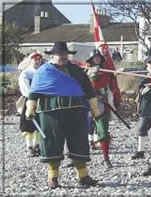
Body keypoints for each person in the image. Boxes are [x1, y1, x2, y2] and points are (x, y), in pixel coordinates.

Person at [25, 41, 100, 189]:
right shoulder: (43, 71)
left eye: (65, 54)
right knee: (52, 143)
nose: (63, 57)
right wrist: (30, 106)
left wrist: (94, 108)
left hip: (76, 112)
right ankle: (53, 177)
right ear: (53, 55)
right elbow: (34, 92)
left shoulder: (77, 70)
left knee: (79, 141)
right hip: (50, 113)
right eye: (60, 54)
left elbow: (88, 89)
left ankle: (83, 176)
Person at [84, 49, 122, 168]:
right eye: (95, 58)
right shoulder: (85, 71)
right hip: (88, 103)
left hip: (102, 103)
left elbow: (113, 86)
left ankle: (106, 158)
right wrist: (92, 73)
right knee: (81, 131)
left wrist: (116, 99)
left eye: (98, 57)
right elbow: (87, 83)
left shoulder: (106, 72)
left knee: (104, 132)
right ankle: (77, 157)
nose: (97, 59)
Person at [18, 51, 44, 157]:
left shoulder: (43, 72)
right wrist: (32, 98)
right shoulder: (26, 73)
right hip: (29, 101)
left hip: (41, 101)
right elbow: (25, 88)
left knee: (40, 124)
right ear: (31, 60)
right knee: (27, 124)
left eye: (39, 59)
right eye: (35, 59)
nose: (37, 61)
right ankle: (29, 146)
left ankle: (37, 145)